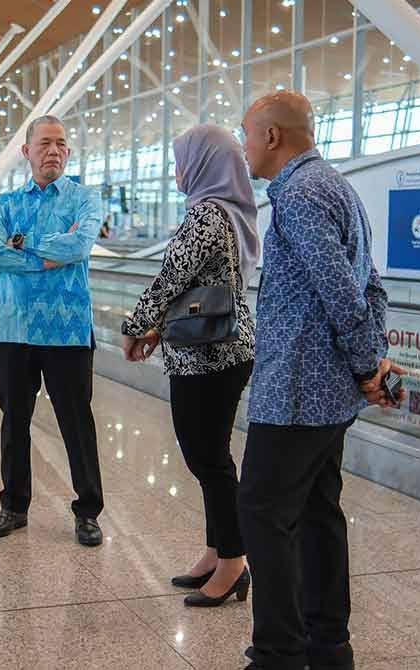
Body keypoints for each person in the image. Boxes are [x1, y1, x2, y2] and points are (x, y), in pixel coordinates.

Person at [236, 91, 405, 670]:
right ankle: (328, 646)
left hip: (297, 392)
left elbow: (341, 292)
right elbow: (371, 286)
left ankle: (278, 653)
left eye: (248, 135)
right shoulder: (339, 188)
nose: (245, 146)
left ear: (273, 138)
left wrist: (366, 366)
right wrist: (371, 363)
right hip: (328, 396)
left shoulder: (301, 196)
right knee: (317, 514)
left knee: (261, 512)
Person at [120, 124, 257, 607]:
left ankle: (235, 561)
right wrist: (161, 329)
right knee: (208, 458)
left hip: (211, 358)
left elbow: (171, 277)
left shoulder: (206, 214)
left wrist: (135, 324)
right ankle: (217, 551)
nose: (177, 170)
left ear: (203, 164)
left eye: (182, 160)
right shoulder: (228, 212)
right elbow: (199, 286)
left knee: (209, 460)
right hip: (216, 350)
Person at [0, 115, 106, 547]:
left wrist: (24, 244)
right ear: (26, 152)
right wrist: (48, 254)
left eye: (61, 144)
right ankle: (14, 505)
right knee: (14, 420)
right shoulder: (5, 203)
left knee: (76, 422)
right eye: (45, 144)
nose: (54, 151)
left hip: (67, 329)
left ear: (68, 152)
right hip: (14, 327)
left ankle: (87, 511)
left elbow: (80, 244)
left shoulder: (85, 199)